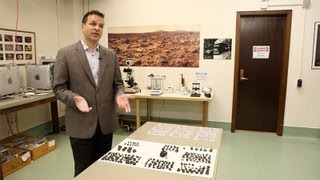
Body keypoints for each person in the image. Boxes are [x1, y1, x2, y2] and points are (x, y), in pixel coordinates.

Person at [53, 10, 132, 177]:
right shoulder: (65, 54)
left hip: (105, 124)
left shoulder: (111, 55)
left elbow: (118, 84)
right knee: (83, 170)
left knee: (103, 169)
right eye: (93, 24)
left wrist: (119, 95)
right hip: (80, 123)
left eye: (101, 26)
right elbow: (59, 88)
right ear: (83, 26)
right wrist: (75, 98)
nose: (97, 28)